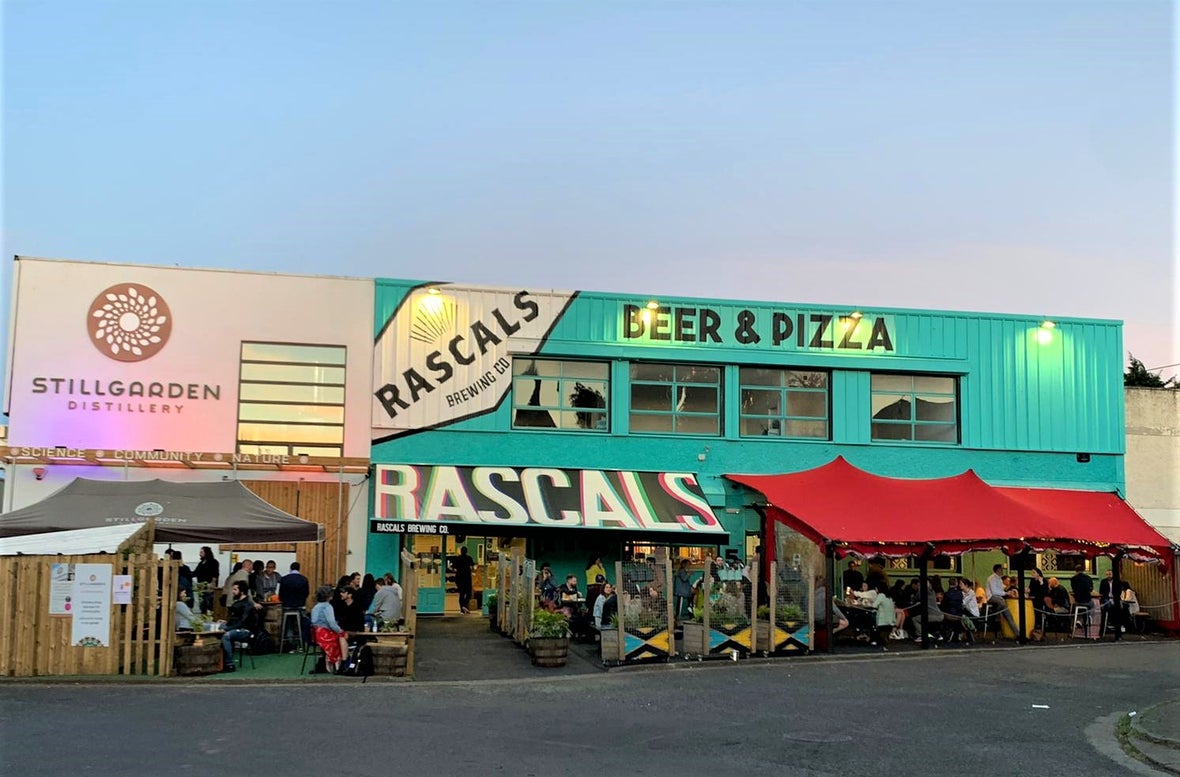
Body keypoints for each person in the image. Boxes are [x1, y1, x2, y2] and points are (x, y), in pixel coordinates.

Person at [221, 580, 261, 673]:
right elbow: (236, 620)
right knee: (219, 629)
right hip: (237, 628)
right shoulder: (238, 603)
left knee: (226, 635)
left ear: (241, 592)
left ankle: (229, 664)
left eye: (235, 589)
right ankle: (221, 662)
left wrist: (227, 628)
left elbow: (242, 621)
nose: (233, 592)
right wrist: (226, 623)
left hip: (245, 631)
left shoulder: (247, 605)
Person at [310, 585, 349, 673]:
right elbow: (332, 623)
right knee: (341, 637)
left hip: (315, 634)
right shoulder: (327, 607)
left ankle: (327, 662)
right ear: (329, 596)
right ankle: (342, 663)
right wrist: (341, 631)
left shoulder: (315, 607)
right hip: (325, 634)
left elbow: (314, 621)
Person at [278, 562, 311, 650]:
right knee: (302, 624)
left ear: (290, 568)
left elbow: (281, 595)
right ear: (299, 568)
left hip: (287, 606)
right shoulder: (304, 579)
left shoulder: (284, 579)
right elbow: (307, 593)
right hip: (300, 606)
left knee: (289, 625)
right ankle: (302, 645)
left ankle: (290, 645)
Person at [984, 563, 1019, 638]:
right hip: (991, 597)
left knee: (1005, 609)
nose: (1002, 571)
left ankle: (1016, 632)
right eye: (1001, 569)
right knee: (1003, 606)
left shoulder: (999, 579)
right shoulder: (992, 579)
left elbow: (1002, 588)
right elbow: (994, 592)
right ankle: (996, 613)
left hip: (999, 598)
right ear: (998, 570)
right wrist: (1006, 593)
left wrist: (1009, 589)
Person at [194, 546, 219, 613]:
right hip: (201, 586)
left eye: (202, 552)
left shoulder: (213, 562)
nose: (200, 554)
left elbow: (215, 573)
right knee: (202, 604)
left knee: (209, 604)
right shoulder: (201, 563)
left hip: (209, 585)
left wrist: (213, 583)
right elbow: (195, 572)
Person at [451, 547, 475, 614]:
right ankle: (464, 605)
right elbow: (472, 567)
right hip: (467, 577)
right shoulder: (469, 558)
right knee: (468, 593)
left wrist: (457, 570)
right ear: (466, 551)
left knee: (461, 593)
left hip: (459, 577)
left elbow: (453, 568)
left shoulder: (457, 558)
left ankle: (462, 609)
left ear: (461, 551)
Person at [871, 582, 895, 647]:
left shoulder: (881, 595)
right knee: (886, 635)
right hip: (890, 621)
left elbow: (874, 605)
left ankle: (875, 640)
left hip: (882, 621)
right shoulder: (889, 597)